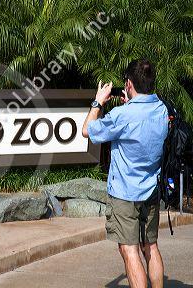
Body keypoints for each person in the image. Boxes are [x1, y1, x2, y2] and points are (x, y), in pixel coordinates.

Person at [82, 59, 168, 288]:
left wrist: (97, 102)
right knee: (150, 246)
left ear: (128, 84)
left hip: (125, 193)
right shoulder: (161, 109)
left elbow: (87, 130)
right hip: (151, 190)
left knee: (130, 251)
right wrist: (132, 102)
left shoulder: (122, 115)